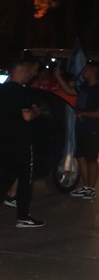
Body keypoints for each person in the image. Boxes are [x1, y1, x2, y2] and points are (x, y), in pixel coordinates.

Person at [0, 59, 45, 227]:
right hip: (20, 142)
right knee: (25, 179)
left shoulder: (2, 89)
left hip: (3, 141)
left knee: (4, 177)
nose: (29, 75)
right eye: (26, 72)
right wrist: (37, 112)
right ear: (19, 72)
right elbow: (27, 116)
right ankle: (23, 217)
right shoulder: (21, 91)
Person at [70, 63, 99, 200]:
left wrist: (83, 114)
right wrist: (58, 76)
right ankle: (86, 186)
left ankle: (91, 188)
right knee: (80, 157)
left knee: (91, 159)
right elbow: (71, 91)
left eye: (85, 70)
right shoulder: (85, 87)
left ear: (92, 72)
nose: (83, 73)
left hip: (94, 129)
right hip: (82, 129)